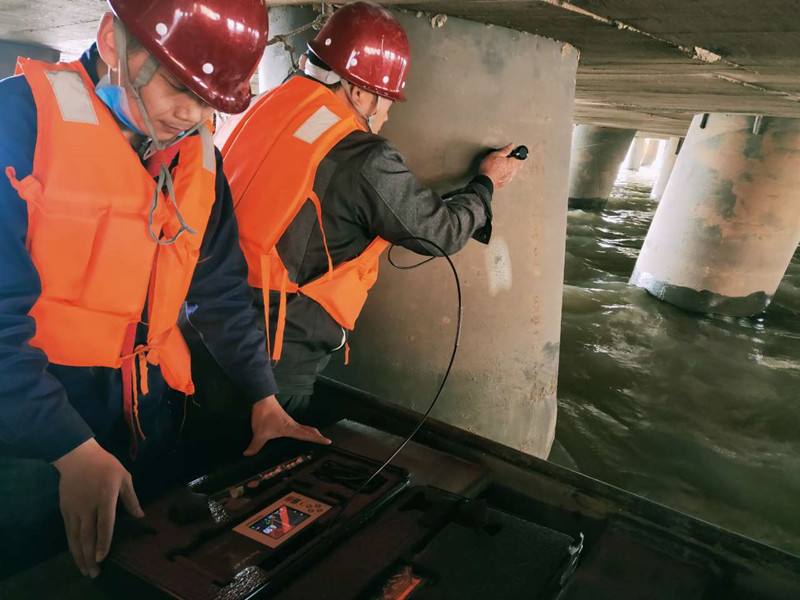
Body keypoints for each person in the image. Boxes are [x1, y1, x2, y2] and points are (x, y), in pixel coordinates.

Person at [0, 0, 328, 579]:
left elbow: (221, 291)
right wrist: (68, 447)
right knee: (38, 578)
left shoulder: (199, 157)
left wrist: (264, 399)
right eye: (181, 85)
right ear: (111, 40)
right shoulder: (16, 124)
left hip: (146, 426)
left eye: (212, 101)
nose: (192, 113)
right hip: (29, 440)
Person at [192, 2, 524, 424]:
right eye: (386, 101)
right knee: (257, 476)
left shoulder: (262, 107)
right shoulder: (363, 155)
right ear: (360, 92)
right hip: (273, 360)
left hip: (206, 326)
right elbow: (437, 233)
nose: (386, 114)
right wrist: (486, 184)